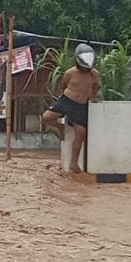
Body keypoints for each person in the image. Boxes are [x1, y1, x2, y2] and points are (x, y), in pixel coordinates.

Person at [42, 44, 101, 173]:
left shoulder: (94, 74)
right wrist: (63, 96)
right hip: (67, 100)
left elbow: (95, 87)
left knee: (80, 134)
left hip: (80, 105)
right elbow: (63, 85)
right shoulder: (70, 72)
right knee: (46, 117)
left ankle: (73, 164)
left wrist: (93, 98)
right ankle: (60, 127)